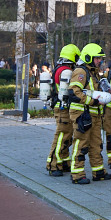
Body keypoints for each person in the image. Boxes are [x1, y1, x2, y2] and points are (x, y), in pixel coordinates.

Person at [68, 43, 111, 184]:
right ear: (88, 57)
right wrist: (93, 101)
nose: (99, 61)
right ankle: (77, 174)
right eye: (97, 58)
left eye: (100, 58)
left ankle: (98, 171)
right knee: (81, 144)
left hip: (94, 114)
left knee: (96, 144)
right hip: (83, 114)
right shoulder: (81, 72)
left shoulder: (93, 72)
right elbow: (74, 93)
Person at [47, 46, 79, 177]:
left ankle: (64, 162)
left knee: (66, 135)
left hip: (60, 106)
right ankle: (53, 164)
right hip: (63, 108)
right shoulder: (66, 71)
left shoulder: (58, 68)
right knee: (62, 135)